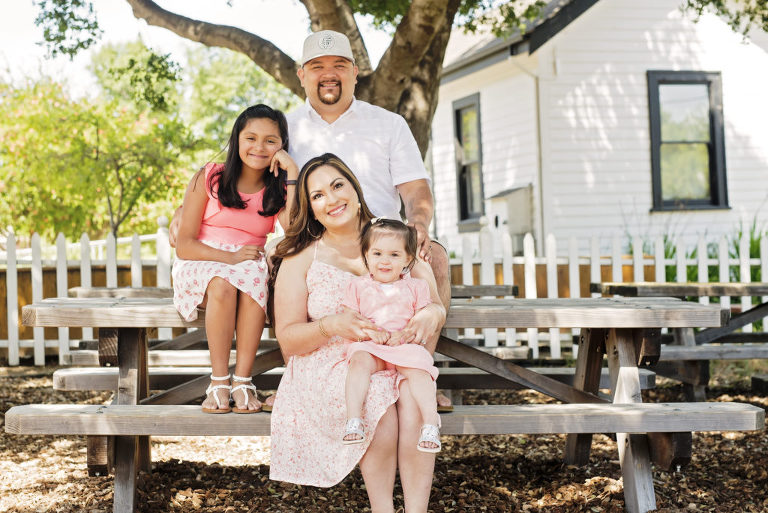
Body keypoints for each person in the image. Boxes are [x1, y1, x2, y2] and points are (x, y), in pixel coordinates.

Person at [170, 29, 453, 409]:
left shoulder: (389, 124)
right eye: (317, 67)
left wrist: (418, 223)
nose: (329, 74)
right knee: (274, 263)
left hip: (380, 240)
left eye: (339, 65)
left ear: (355, 72)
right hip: (312, 239)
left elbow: (417, 191)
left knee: (433, 256)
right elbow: (243, 174)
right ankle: (300, 381)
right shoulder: (283, 130)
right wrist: (182, 211)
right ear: (302, 74)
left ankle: (418, 375)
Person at [268, 153, 445, 512]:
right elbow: (287, 339)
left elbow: (433, 301)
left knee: (412, 401)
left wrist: (434, 313)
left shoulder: (394, 236)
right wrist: (331, 325)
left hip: (396, 353)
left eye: (337, 186)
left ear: (355, 187)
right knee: (377, 402)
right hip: (330, 364)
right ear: (310, 209)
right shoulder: (303, 256)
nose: (331, 199)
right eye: (317, 196)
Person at [172, 104, 299, 414]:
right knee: (223, 285)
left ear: (282, 145)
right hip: (202, 260)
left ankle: (243, 381)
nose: (259, 147)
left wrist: (293, 175)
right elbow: (184, 245)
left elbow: (295, 230)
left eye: (271, 140)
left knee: (256, 277)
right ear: (236, 139)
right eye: (251, 137)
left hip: (247, 264)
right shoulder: (210, 176)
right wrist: (227, 257)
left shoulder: (277, 190)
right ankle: (218, 382)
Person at [341, 218, 441, 453]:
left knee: (420, 371)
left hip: (402, 346)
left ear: (407, 259)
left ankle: (430, 423)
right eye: (377, 253)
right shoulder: (357, 286)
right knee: (358, 362)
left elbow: (420, 319)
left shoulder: (417, 287)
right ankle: (353, 419)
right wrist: (370, 332)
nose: (385, 261)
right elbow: (350, 318)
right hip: (372, 346)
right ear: (366, 255)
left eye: (394, 255)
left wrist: (405, 335)